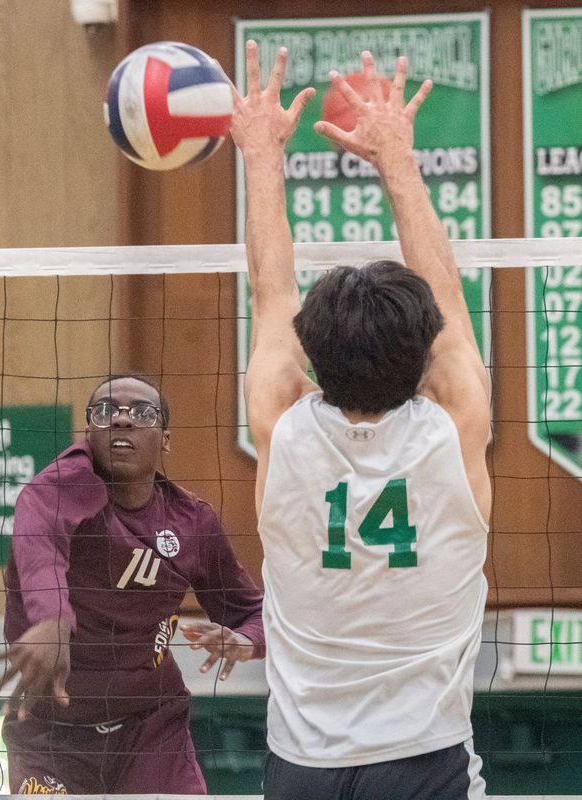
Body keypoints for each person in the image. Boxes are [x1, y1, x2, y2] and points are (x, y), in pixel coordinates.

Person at [231, 41, 491, 800]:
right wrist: (395, 160)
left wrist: (258, 153)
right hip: (423, 761)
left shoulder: (281, 430)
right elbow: (445, 314)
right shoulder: (453, 428)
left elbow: (267, 295)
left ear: (310, 358)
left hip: (300, 765)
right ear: (421, 354)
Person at [0, 373, 265, 795]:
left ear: (165, 439)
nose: (122, 421)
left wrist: (246, 641)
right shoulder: (54, 490)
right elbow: (39, 555)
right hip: (51, 737)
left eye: (142, 413)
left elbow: (254, 612)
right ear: (89, 433)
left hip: (151, 731)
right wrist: (52, 620)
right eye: (106, 411)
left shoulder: (191, 522)